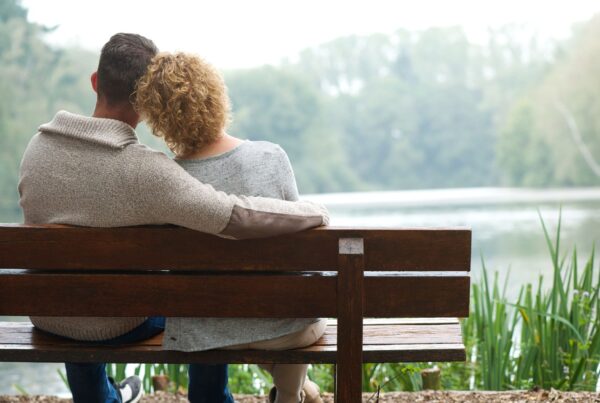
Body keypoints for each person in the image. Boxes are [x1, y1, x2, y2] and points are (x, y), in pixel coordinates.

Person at [18, 33, 329, 403]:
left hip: (48, 313)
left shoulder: (37, 149)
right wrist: (313, 211)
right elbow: (234, 217)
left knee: (75, 293)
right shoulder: (147, 171)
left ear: (95, 82)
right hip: (120, 323)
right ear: (147, 103)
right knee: (197, 297)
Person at [134, 52, 326, 403]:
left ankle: (295, 391)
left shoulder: (168, 180)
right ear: (216, 96)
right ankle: (290, 393)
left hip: (205, 331)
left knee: (229, 314)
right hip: (284, 329)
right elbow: (300, 244)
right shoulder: (270, 157)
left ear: (159, 118)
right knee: (288, 311)